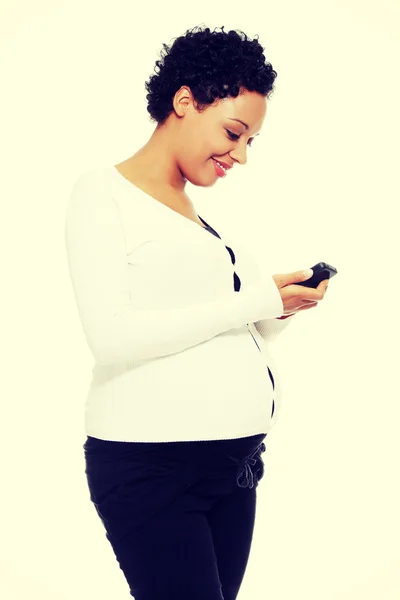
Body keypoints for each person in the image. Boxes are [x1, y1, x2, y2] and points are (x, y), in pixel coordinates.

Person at [65, 24, 328, 600]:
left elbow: (204, 327)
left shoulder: (194, 215)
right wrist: (251, 301)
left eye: (251, 141)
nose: (240, 154)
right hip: (154, 470)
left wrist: (272, 314)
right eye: (234, 133)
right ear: (184, 101)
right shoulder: (101, 194)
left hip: (233, 468)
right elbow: (111, 338)